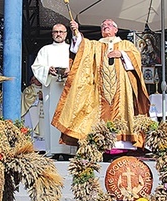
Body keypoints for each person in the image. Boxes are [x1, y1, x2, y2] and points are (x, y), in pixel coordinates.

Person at [52, 19, 150, 151]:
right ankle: (102, 144)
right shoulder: (95, 45)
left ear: (116, 30)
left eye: (109, 25)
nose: (105, 27)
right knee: (97, 114)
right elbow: (80, 48)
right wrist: (76, 32)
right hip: (99, 91)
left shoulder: (126, 44)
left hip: (122, 91)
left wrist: (122, 54)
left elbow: (136, 58)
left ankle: (122, 147)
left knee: (123, 113)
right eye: (103, 26)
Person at [31, 23, 76, 157]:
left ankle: (69, 150)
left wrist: (70, 72)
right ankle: (54, 150)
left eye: (61, 32)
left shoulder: (71, 50)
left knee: (68, 117)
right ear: (52, 34)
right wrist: (47, 70)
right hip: (51, 89)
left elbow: (79, 68)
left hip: (67, 90)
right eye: (55, 32)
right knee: (52, 116)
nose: (58, 34)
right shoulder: (45, 50)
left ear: (66, 34)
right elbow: (36, 67)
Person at [21, 76, 44, 147]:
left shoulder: (46, 89)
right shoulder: (29, 89)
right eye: (35, 79)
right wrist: (37, 98)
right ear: (32, 81)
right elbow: (27, 99)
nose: (38, 81)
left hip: (43, 113)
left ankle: (43, 148)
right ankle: (33, 147)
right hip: (32, 113)